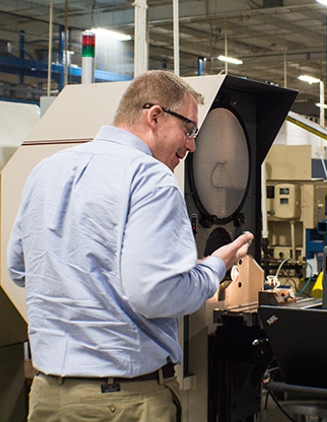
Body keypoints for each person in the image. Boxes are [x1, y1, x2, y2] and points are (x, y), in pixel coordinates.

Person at [7, 70, 254, 422]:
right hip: (122, 403)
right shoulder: (150, 179)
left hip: (48, 398)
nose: (192, 145)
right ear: (154, 116)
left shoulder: (47, 170)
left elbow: (18, 269)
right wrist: (214, 267)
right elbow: (156, 294)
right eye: (189, 130)